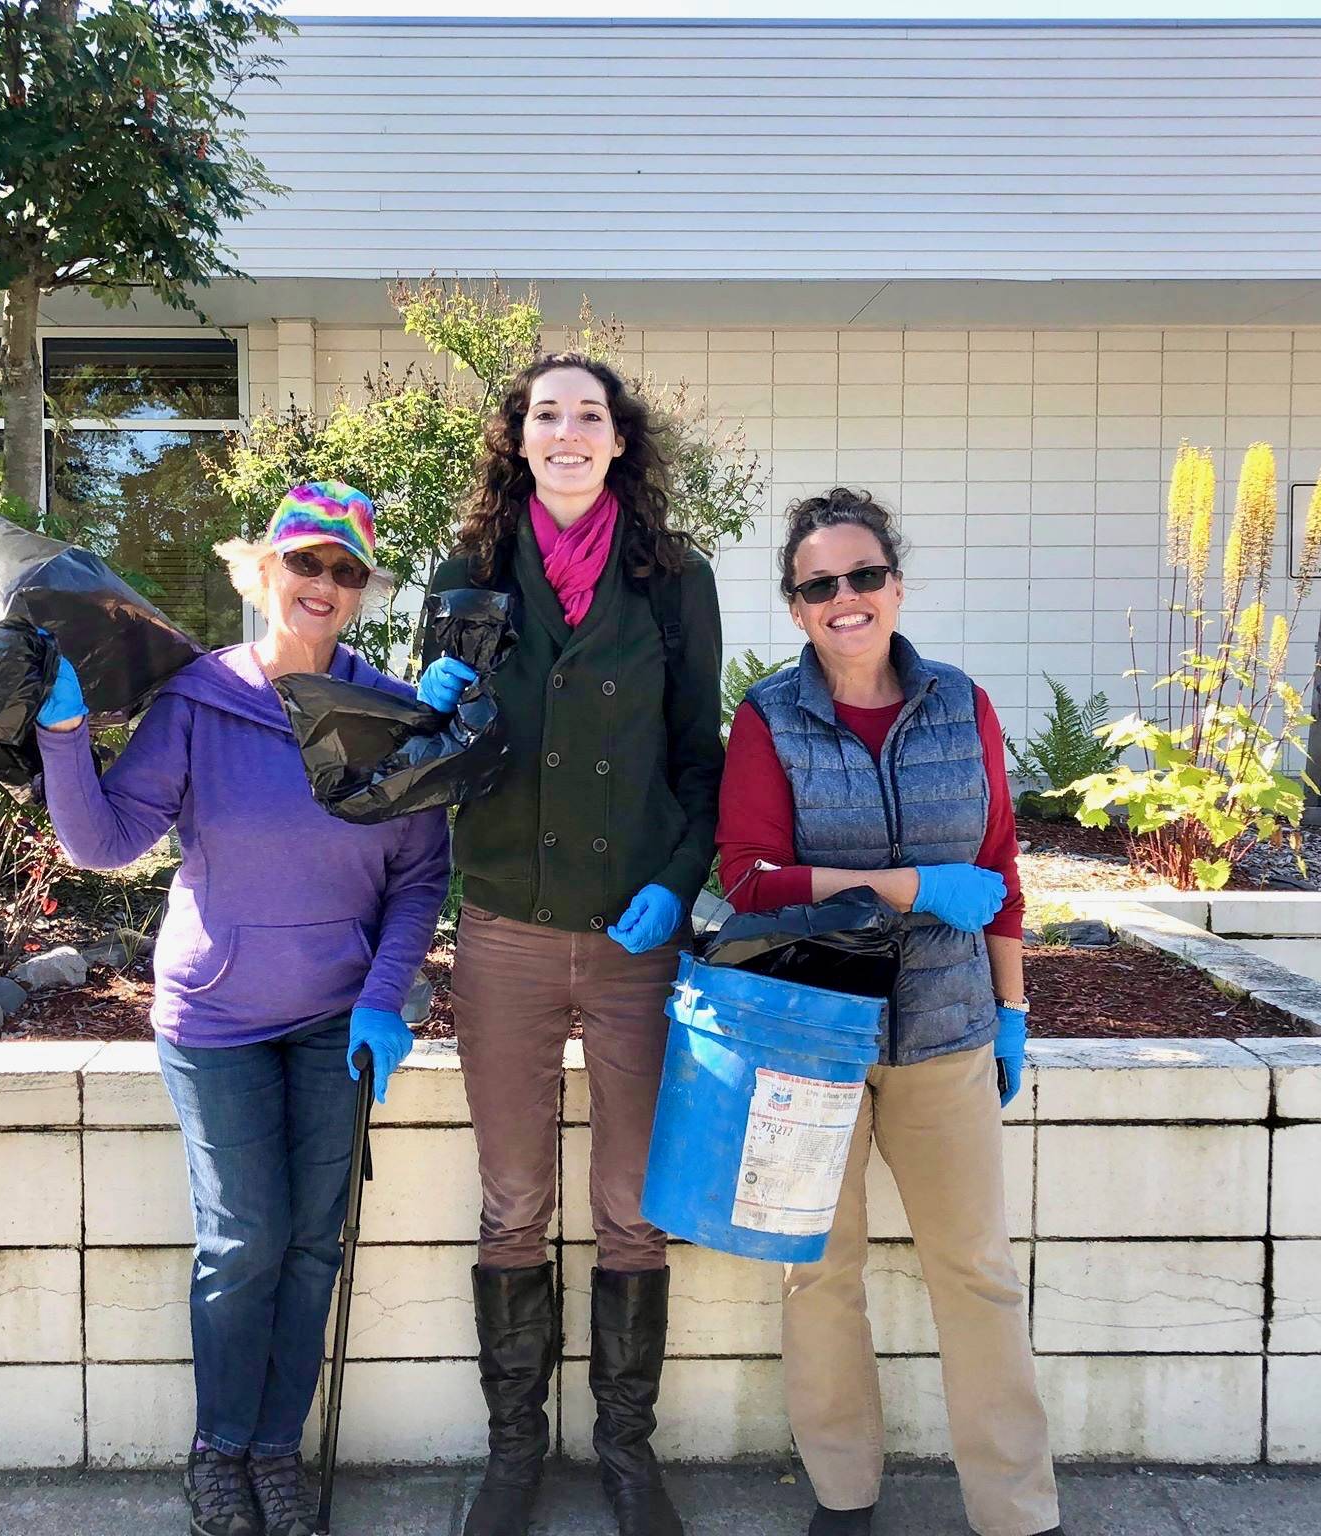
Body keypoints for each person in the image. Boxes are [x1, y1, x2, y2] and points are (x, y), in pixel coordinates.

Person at [35, 482, 450, 1536]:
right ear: (261, 570)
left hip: (335, 1021)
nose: (321, 585)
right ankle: (218, 1448)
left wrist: (382, 997)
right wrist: (66, 734)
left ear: (360, 595)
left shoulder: (388, 716)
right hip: (215, 1017)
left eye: (344, 572)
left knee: (313, 1242)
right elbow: (105, 842)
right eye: (305, 562)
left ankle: (275, 1452)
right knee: (244, 1240)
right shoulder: (198, 700)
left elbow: (417, 876)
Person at [415, 353, 724, 1536]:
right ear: (518, 436)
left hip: (635, 931)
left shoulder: (673, 579)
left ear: (618, 441)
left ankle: (625, 1453)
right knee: (512, 1201)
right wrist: (428, 694)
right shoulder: (467, 571)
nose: (568, 431)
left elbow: (700, 757)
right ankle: (512, 1452)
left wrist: (674, 884)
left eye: (588, 414)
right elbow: (422, 757)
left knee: (633, 1204)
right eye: (547, 413)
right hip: (504, 923)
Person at [715, 487, 1061, 1536]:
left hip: (945, 1031)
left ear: (896, 586)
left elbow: (997, 866)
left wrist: (1010, 1010)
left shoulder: (962, 705)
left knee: (977, 1275)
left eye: (863, 576)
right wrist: (907, 886)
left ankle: (1015, 1510)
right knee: (819, 1276)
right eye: (820, 585)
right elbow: (747, 877)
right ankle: (840, 1496)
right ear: (794, 606)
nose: (845, 598)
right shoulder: (768, 718)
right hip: (810, 1033)